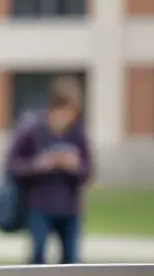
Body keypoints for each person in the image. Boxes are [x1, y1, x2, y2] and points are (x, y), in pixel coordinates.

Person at [5, 76, 93, 265]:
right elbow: (12, 166)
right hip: (39, 205)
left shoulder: (77, 134)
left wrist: (74, 166)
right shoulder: (32, 130)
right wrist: (40, 164)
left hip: (70, 207)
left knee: (71, 261)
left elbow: (87, 171)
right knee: (37, 258)